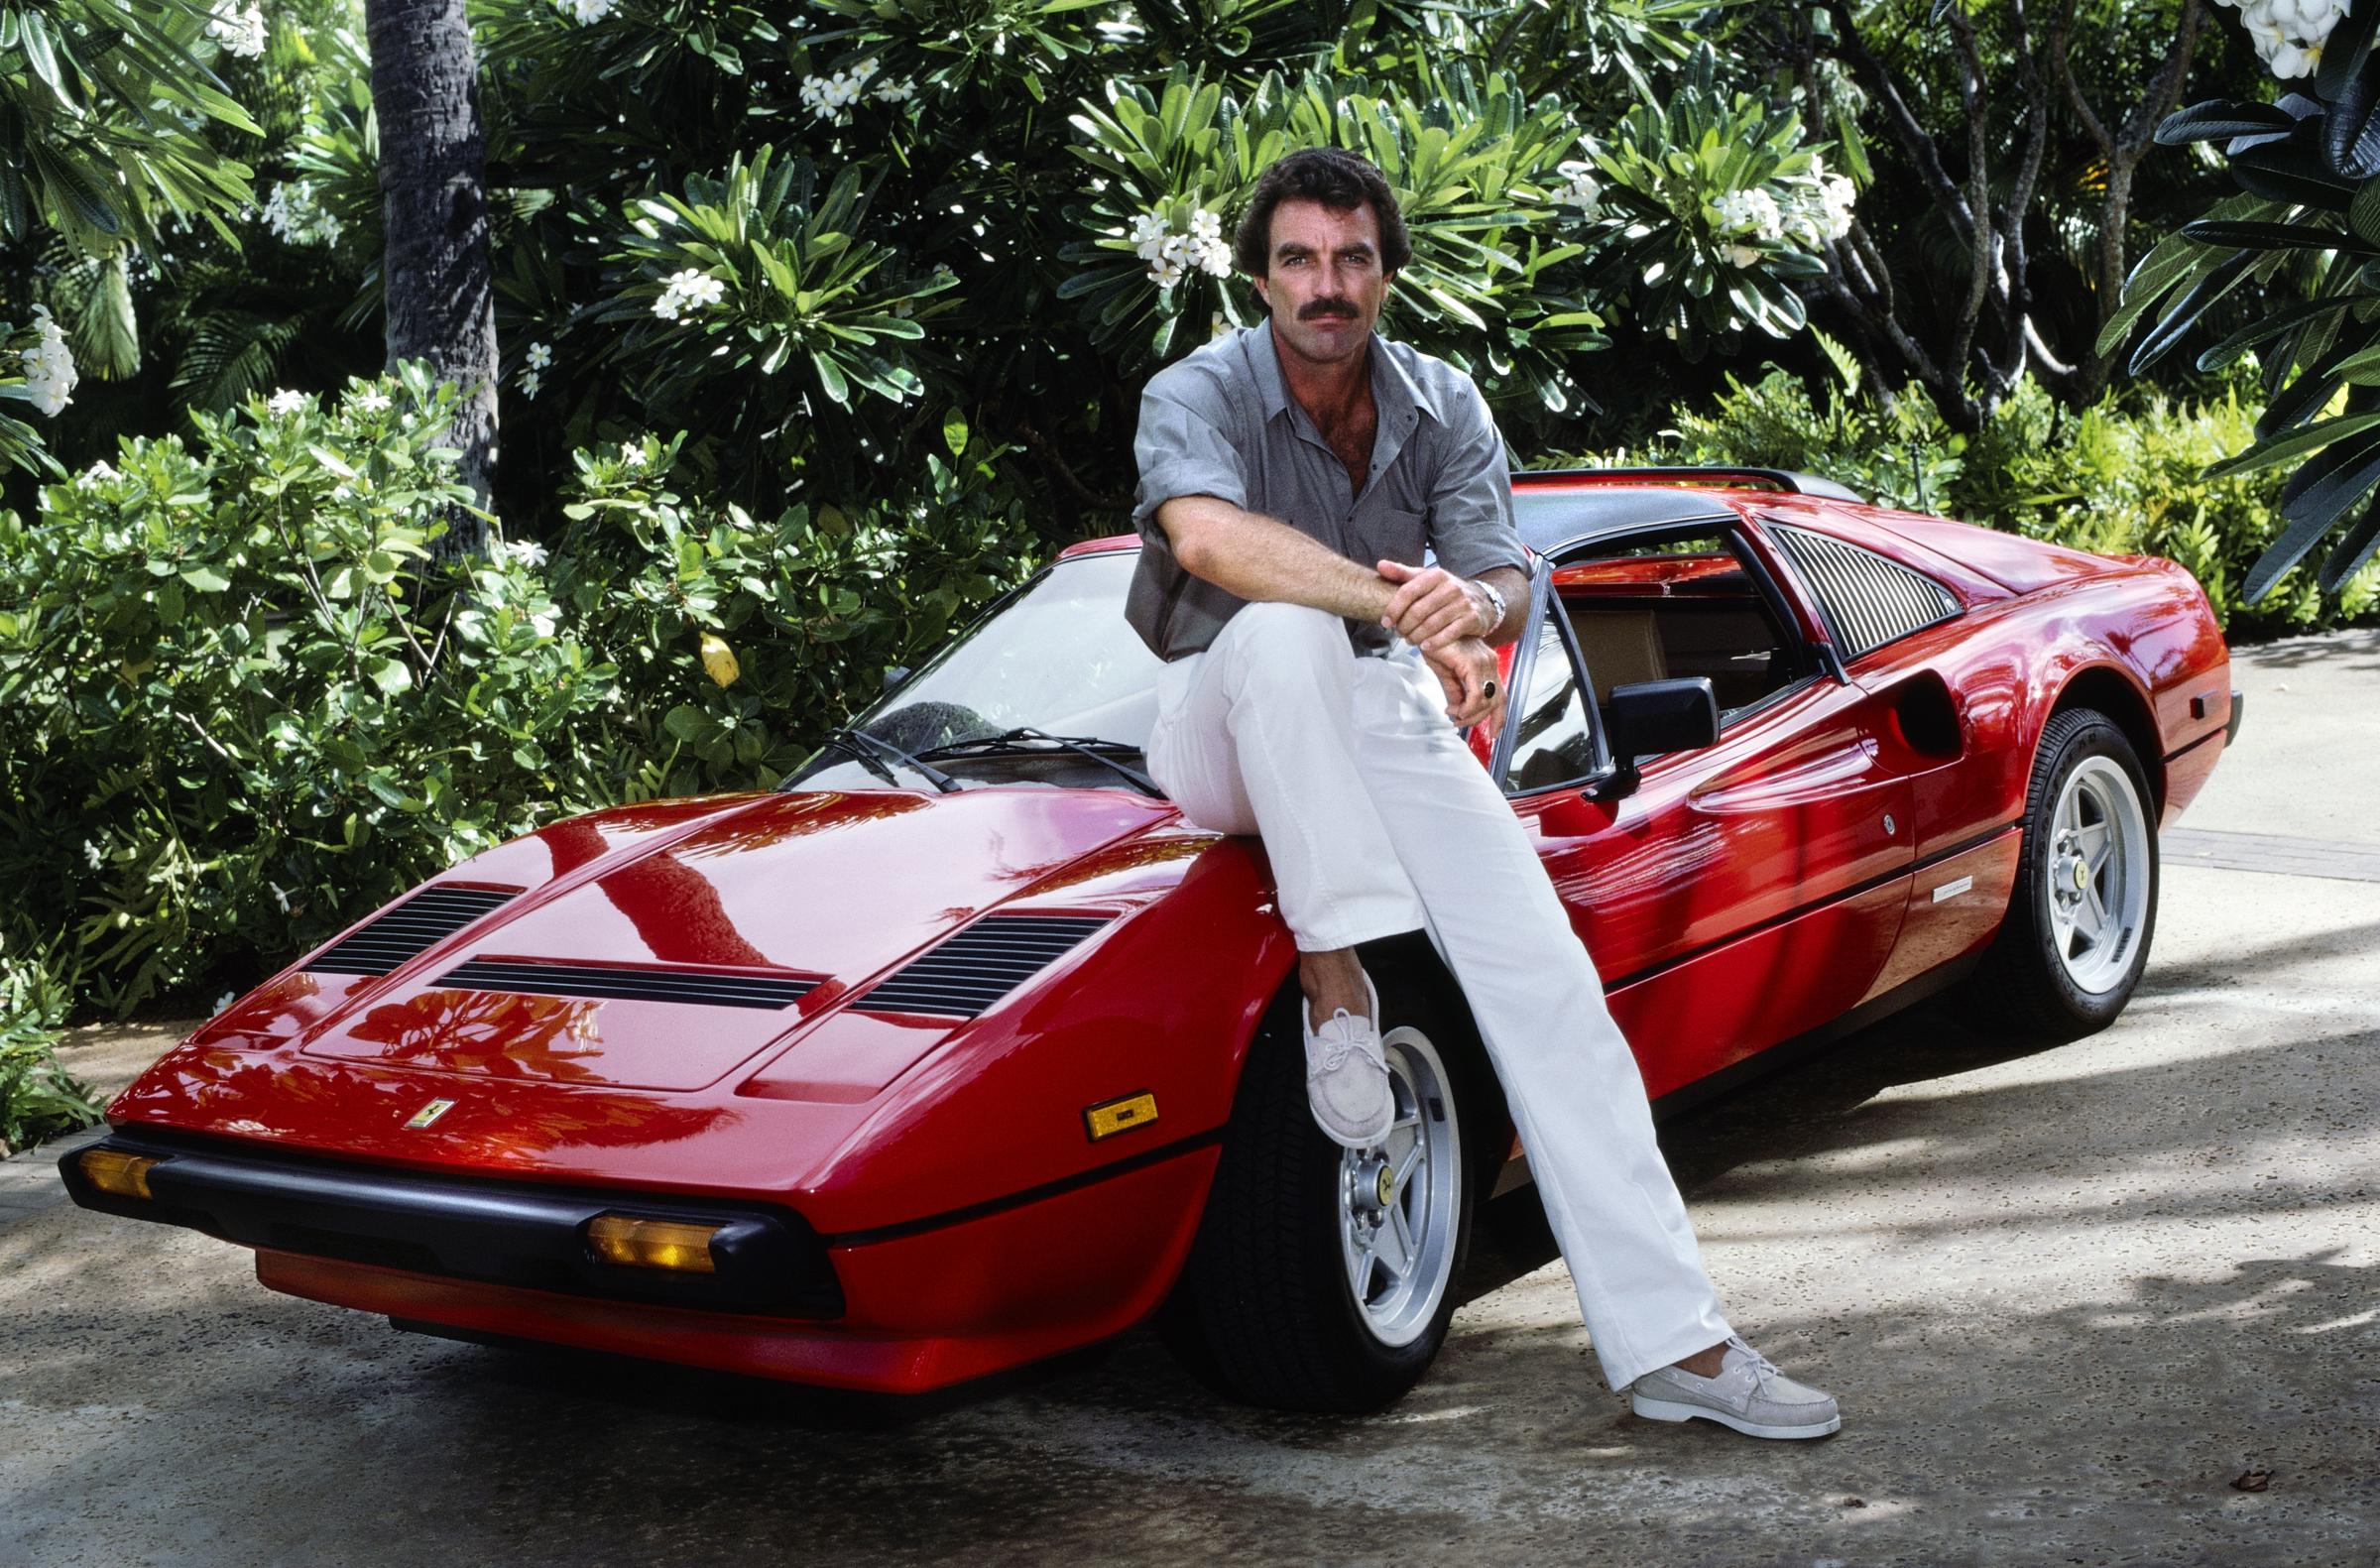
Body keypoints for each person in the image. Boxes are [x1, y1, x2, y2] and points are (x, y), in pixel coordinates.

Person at [1120, 147, 1841, 1440]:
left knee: (1551, 987)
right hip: (1220, 715)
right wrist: (1403, 600)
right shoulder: (1199, 388)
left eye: (1351, 259)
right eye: (1298, 259)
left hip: (1381, 708)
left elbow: (1506, 579)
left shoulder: (1442, 401)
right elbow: (1209, 542)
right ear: (1260, 274)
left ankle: (1675, 1340)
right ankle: (1334, 968)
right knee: (1281, 635)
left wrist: (1471, 609)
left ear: (1387, 271)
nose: (1325, 285)